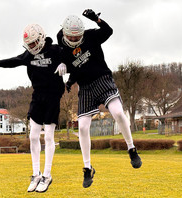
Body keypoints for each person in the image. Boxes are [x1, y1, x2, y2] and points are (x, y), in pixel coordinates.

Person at [57, 9, 142, 188]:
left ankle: (131, 148)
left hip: (102, 79)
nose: (73, 40)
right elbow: (73, 64)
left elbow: (109, 31)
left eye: (76, 37)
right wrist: (65, 68)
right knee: (82, 127)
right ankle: (87, 168)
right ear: (64, 34)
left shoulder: (91, 37)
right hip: (85, 87)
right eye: (70, 38)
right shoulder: (61, 41)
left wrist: (96, 19)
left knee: (118, 113)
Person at [0, 24, 66, 193]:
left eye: (34, 43)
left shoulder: (55, 50)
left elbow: (70, 56)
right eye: (29, 44)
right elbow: (11, 62)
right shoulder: (28, 55)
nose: (32, 47)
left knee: (48, 136)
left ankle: (47, 175)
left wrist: (64, 63)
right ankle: (36, 174)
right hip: (37, 96)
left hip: (53, 96)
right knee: (33, 136)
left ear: (40, 38)